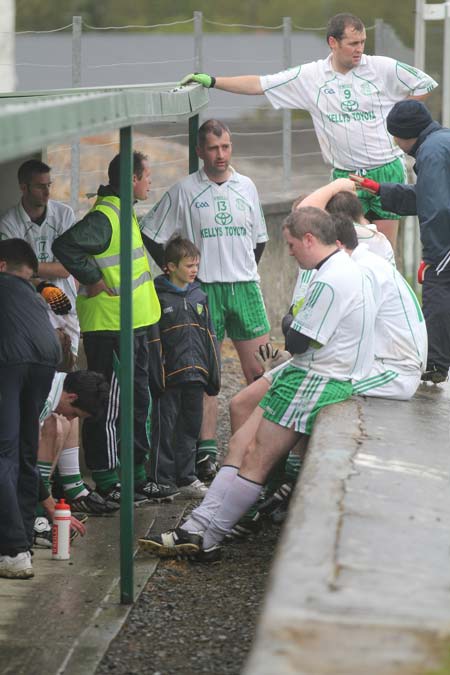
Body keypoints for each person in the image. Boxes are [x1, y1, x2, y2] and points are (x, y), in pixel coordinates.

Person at [139, 206, 376, 560]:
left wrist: (290, 320)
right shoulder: (332, 269)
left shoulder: (333, 279)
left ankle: (210, 537)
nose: (290, 252)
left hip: (320, 377)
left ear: (310, 239)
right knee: (239, 444)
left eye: (293, 245)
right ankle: (195, 525)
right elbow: (294, 328)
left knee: (256, 458)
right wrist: (292, 320)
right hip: (304, 370)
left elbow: (295, 340)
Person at [180, 13, 437, 248]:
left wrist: (400, 115)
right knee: (344, 249)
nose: (359, 49)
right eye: (352, 43)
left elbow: (424, 83)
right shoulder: (311, 76)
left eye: (362, 42)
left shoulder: (381, 67)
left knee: (383, 252)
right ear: (333, 43)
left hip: (386, 170)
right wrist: (213, 81)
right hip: (344, 176)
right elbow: (261, 84)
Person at [141, 119, 270, 479]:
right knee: (205, 375)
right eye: (213, 148)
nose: (220, 155)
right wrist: (175, 272)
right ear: (199, 152)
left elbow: (259, 239)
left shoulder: (247, 186)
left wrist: (240, 266)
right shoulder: (184, 190)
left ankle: (262, 443)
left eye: (226, 147)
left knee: (261, 371)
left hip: (244, 287)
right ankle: (206, 453)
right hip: (205, 291)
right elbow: (150, 231)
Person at [52, 151, 175, 505]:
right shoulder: (106, 215)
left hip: (135, 323)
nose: (150, 181)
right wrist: (91, 279)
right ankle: (107, 480)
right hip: (111, 327)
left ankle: (135, 476)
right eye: (147, 175)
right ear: (132, 180)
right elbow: (66, 245)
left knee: (138, 401)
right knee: (108, 405)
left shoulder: (123, 210)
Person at [350, 100, 450, 384]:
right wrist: (380, 189)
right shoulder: (441, 142)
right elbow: (426, 195)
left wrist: (434, 258)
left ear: (406, 134)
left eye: (394, 135)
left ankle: (435, 365)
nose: (394, 141)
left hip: (444, 244)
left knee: (437, 292)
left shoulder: (431, 153)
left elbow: (437, 208)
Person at [0, 239, 61, 579]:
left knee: (3, 453)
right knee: (25, 453)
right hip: (45, 358)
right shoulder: (33, 295)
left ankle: (10, 549)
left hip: (10, 360)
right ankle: (22, 543)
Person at [150, 236, 220, 498]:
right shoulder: (157, 296)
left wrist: (212, 372)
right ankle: (161, 480)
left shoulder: (199, 295)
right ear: (170, 266)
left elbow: (210, 336)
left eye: (196, 265)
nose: (194, 270)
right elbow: (154, 340)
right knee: (165, 427)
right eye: (189, 265)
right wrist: (158, 373)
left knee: (190, 427)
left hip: (196, 374)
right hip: (169, 377)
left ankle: (187, 477)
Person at [333, 213, 427, 399]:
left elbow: (353, 330)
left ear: (337, 245)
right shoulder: (366, 262)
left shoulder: (365, 270)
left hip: (396, 372)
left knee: (324, 382)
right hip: (383, 363)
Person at [0, 159, 80, 360]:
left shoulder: (64, 214)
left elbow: (66, 268)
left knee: (67, 369)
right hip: (30, 309)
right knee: (42, 370)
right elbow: (9, 272)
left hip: (65, 307)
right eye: (40, 186)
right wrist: (44, 271)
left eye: (48, 185)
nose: (47, 192)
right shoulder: (8, 222)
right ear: (23, 187)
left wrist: (27, 268)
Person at [34, 369, 115, 546]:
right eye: (75, 413)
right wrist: (51, 508)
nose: (71, 418)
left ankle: (50, 499)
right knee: (55, 423)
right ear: (71, 397)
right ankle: (34, 512)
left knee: (59, 422)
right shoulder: (43, 402)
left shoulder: (57, 381)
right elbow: (21, 459)